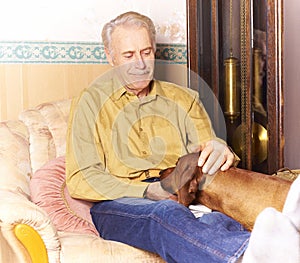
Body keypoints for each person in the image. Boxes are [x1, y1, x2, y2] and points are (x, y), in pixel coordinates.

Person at [66, 11, 300, 263]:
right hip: (120, 204)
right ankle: (245, 257)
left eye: (146, 52)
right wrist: (147, 191)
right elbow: (81, 179)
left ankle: (280, 247)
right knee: (164, 213)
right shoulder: (89, 102)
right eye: (128, 55)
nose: (140, 63)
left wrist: (219, 149)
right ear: (110, 56)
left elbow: (207, 153)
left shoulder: (184, 99)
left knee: (217, 219)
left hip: (185, 192)